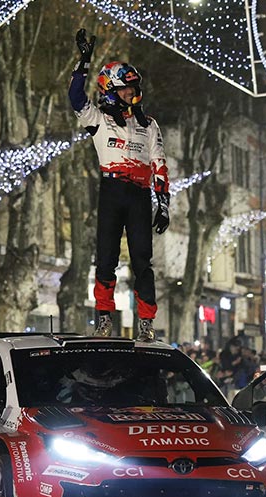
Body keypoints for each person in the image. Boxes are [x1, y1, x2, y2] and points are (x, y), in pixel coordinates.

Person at [69, 29, 170, 342]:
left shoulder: (148, 124)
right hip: (111, 192)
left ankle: (146, 323)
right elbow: (75, 97)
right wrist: (84, 62)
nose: (132, 93)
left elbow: (159, 163)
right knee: (106, 259)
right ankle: (103, 319)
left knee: (142, 262)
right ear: (111, 89)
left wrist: (164, 203)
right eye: (126, 88)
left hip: (139, 195)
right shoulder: (99, 119)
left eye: (134, 88)